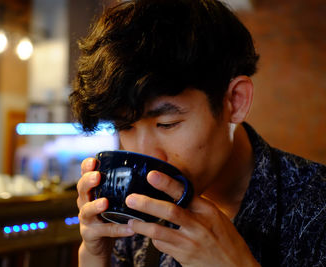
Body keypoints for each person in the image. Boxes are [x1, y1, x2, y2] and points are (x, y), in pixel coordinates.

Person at [69, 0, 326, 266]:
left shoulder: (317, 209)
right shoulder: (135, 211)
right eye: (125, 127)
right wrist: (94, 256)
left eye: (167, 124)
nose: (143, 153)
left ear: (235, 101)